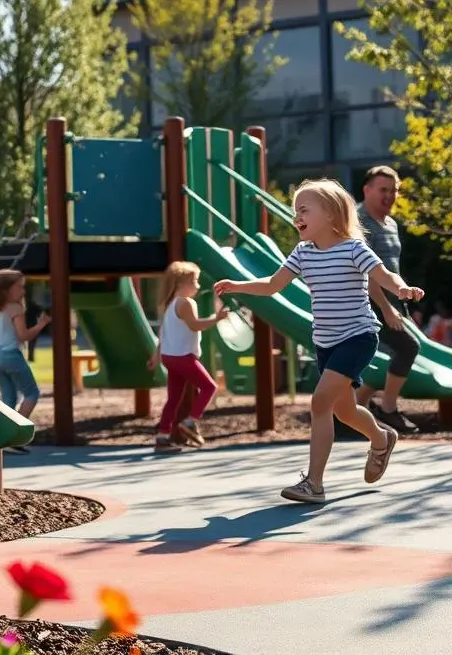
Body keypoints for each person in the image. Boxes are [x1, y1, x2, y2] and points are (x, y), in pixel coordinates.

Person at [215, 178, 424, 505]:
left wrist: (401, 290)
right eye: (295, 210)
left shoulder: (354, 249)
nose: (296, 215)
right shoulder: (303, 252)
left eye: (304, 209)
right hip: (326, 342)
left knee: (319, 403)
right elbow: (272, 285)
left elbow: (384, 276)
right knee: (344, 411)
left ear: (330, 215)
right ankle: (382, 438)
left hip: (358, 336)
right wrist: (236, 285)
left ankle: (314, 483)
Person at [355, 166, 420, 434]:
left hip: (393, 301)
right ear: (367, 189)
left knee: (383, 357)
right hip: (369, 302)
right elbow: (365, 269)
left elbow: (391, 266)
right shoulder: (358, 222)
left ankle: (356, 408)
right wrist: (385, 309)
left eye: (393, 190)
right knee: (408, 348)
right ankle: (388, 409)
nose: (389, 195)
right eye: (383, 190)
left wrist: (400, 302)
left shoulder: (390, 222)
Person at [148, 261, 227, 452]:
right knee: (209, 386)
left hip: (169, 356)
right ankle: (191, 422)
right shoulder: (185, 303)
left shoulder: (168, 304)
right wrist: (216, 319)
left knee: (174, 399)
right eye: (195, 281)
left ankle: (162, 437)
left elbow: (163, 334)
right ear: (180, 284)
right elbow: (194, 325)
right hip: (183, 356)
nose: (198, 286)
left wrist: (156, 356)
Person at [0, 269, 50, 448]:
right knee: (32, 393)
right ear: (6, 290)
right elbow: (23, 335)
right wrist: (41, 325)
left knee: (9, 397)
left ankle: (3, 438)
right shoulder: (15, 308)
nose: (23, 291)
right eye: (20, 287)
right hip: (11, 355)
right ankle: (15, 436)